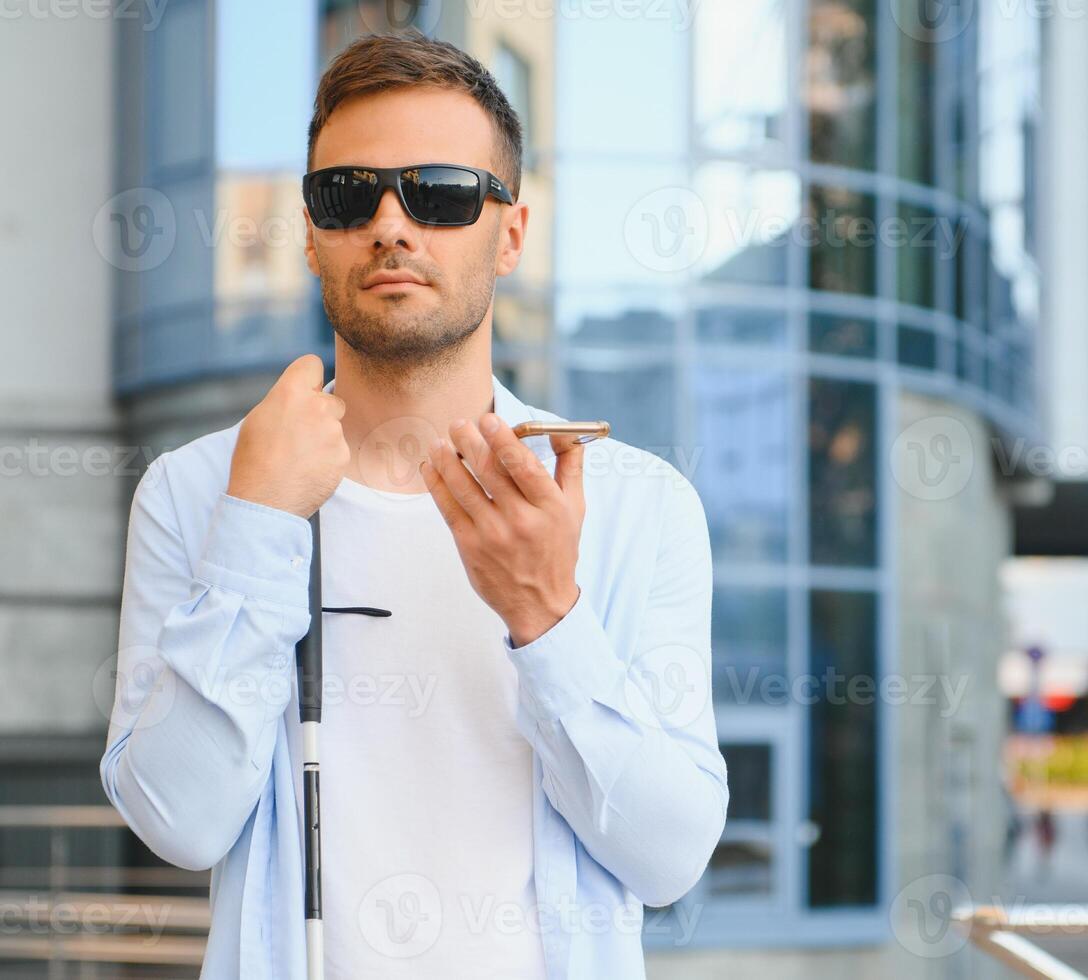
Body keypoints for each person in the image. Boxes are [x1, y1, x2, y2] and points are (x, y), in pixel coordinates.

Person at [99, 31, 727, 979]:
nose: (391, 225)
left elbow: (669, 858)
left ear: (509, 232)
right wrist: (258, 528)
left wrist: (547, 618)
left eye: (439, 193)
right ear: (310, 234)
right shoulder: (200, 491)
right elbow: (177, 822)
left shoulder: (637, 503)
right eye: (348, 196)